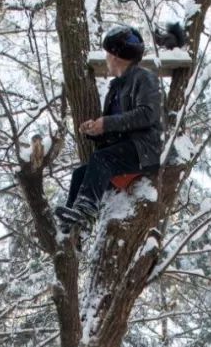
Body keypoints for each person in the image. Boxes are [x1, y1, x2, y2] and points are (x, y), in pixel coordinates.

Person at [55, 25, 163, 233]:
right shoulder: (115, 88)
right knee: (80, 174)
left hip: (144, 150)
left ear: (115, 55)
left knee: (102, 159)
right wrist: (96, 131)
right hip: (124, 151)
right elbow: (117, 127)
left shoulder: (144, 78)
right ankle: (68, 226)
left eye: (107, 54)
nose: (106, 58)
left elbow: (147, 114)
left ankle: (86, 211)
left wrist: (106, 123)